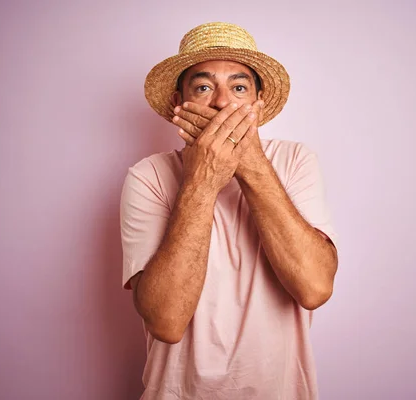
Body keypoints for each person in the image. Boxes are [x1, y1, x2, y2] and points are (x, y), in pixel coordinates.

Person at [120, 22, 338, 400]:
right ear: (178, 105)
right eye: (204, 87)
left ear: (258, 104)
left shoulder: (294, 161)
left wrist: (249, 162)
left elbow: (315, 288)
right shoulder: (149, 176)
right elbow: (167, 322)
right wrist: (203, 178)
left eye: (238, 88)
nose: (222, 103)